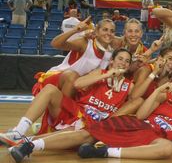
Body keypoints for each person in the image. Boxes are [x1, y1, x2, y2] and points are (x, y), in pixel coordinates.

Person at [8, 72, 172, 163]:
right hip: (137, 125)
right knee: (86, 135)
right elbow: (140, 115)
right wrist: (158, 93)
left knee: (168, 148)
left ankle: (104, 153)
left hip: (153, 138)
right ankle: (29, 146)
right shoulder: (162, 95)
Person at [0, 49, 134, 146]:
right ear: (111, 61)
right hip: (77, 111)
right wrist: (107, 75)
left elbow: (136, 102)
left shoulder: (129, 86)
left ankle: (25, 141)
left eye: (127, 61)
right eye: (120, 59)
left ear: (129, 66)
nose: (123, 63)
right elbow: (77, 83)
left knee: (78, 130)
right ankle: (19, 131)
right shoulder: (100, 72)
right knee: (50, 90)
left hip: (92, 123)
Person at [32, 18, 115, 98]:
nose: (109, 33)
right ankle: (63, 109)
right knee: (73, 76)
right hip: (57, 80)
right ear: (96, 31)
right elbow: (55, 44)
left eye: (112, 31)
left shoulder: (110, 53)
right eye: (105, 29)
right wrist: (75, 30)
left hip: (77, 86)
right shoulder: (85, 43)